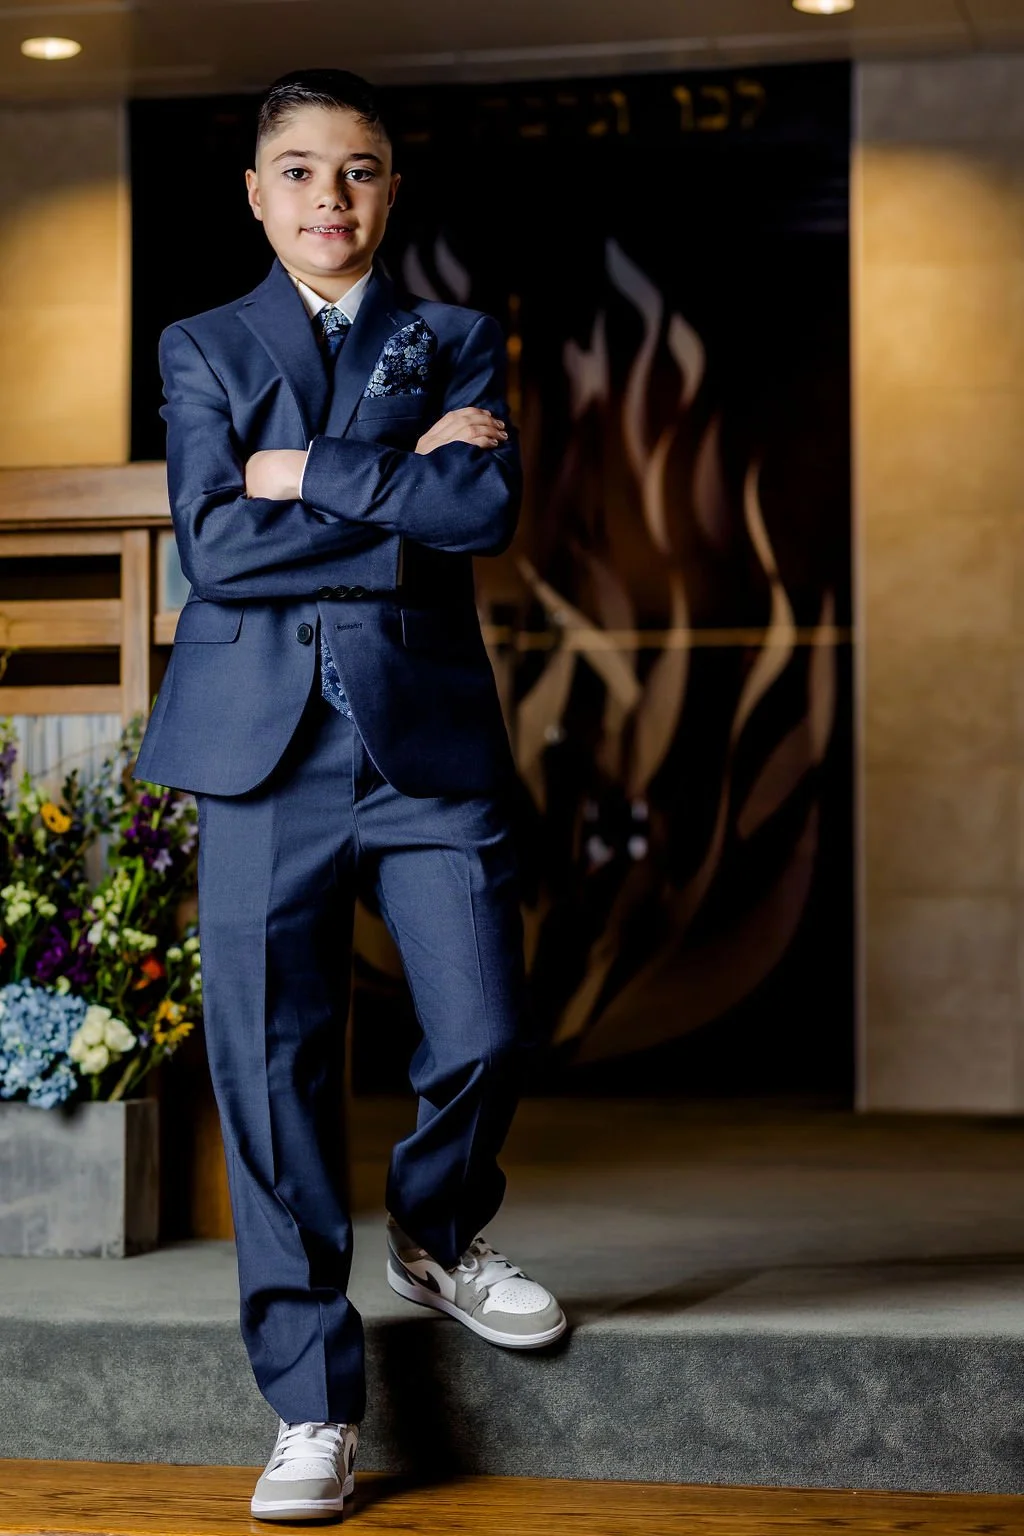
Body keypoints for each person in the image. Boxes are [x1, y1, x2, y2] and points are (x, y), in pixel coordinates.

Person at [132, 65, 566, 1523]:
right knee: (271, 1076)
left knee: (491, 1022)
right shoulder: (200, 342)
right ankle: (310, 1404)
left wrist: (305, 468)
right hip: (259, 751)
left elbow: (483, 513)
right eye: (303, 170)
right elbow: (218, 550)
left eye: (361, 169)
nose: (333, 195)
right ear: (257, 194)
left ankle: (437, 1234)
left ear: (392, 189)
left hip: (424, 748)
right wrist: (394, 486)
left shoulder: (452, 338)